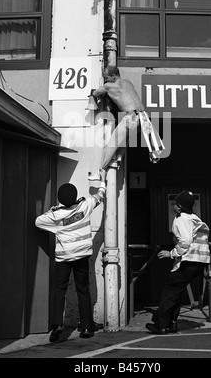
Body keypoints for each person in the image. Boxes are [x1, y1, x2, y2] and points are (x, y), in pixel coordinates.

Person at [35, 170, 107, 342]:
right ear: (75, 196)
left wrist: (54, 209)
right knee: (83, 289)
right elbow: (100, 196)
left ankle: (57, 326)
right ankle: (88, 327)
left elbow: (38, 221)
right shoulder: (85, 205)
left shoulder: (55, 216)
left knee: (60, 290)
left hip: (64, 258)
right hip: (82, 255)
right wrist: (103, 182)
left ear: (60, 200)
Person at [146, 190, 210, 334]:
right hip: (200, 262)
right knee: (176, 291)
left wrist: (172, 253)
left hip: (188, 260)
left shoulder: (181, 219)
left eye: (175, 203)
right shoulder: (195, 218)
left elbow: (186, 241)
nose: (173, 205)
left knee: (170, 291)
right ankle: (171, 323)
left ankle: (161, 324)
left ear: (180, 207)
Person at [88, 66, 165, 180]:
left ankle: (101, 171)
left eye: (106, 77)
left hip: (132, 117)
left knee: (112, 143)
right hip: (143, 117)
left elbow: (95, 93)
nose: (105, 80)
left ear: (113, 76)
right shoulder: (128, 82)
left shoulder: (109, 86)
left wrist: (92, 94)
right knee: (126, 137)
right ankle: (119, 157)